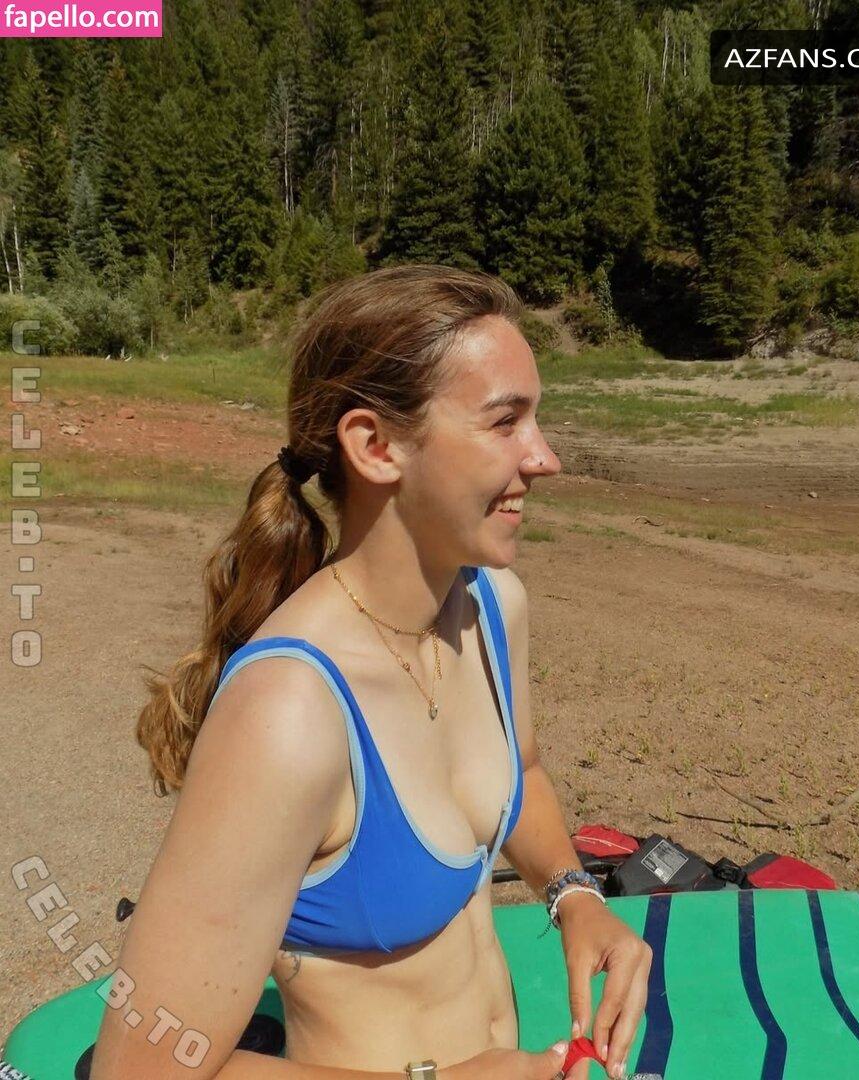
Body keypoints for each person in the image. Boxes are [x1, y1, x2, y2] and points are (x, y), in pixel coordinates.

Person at [90, 265, 652, 1080]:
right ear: (375, 446)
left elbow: (520, 773)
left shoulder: (493, 609)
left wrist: (574, 896)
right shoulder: (291, 710)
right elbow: (139, 1070)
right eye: (505, 422)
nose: (546, 458)